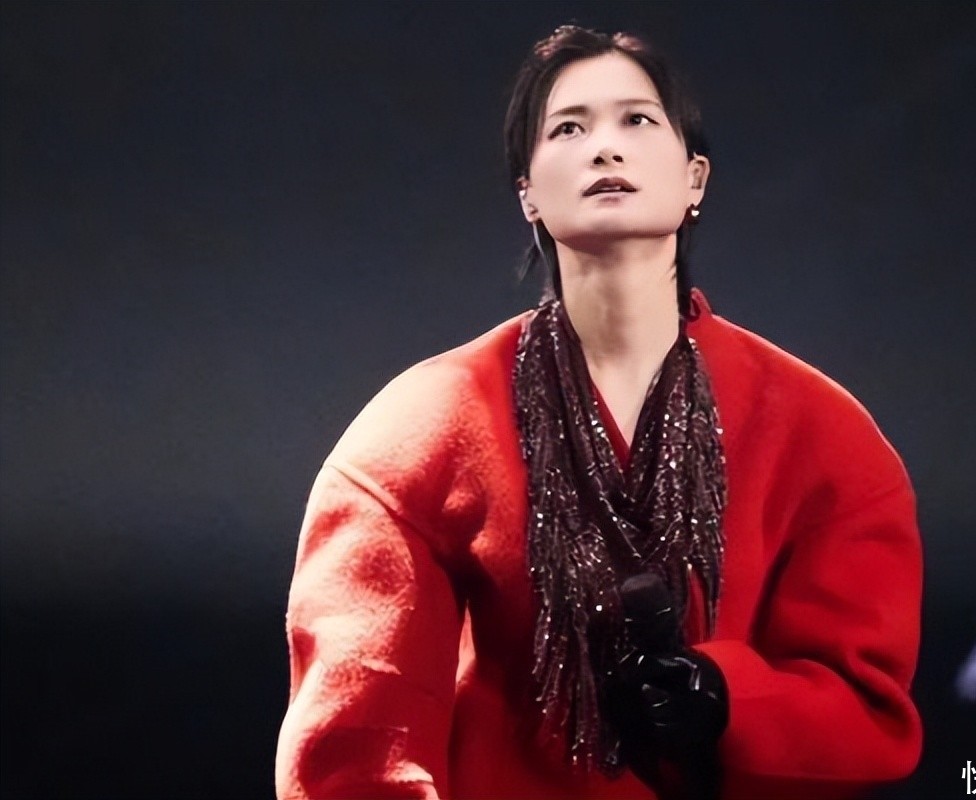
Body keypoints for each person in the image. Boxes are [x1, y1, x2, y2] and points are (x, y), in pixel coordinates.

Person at [275, 24, 923, 800]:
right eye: (568, 128)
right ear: (528, 193)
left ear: (695, 178)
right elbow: (359, 737)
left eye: (637, 120)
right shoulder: (422, 430)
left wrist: (729, 700)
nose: (604, 148)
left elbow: (867, 709)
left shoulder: (824, 432)